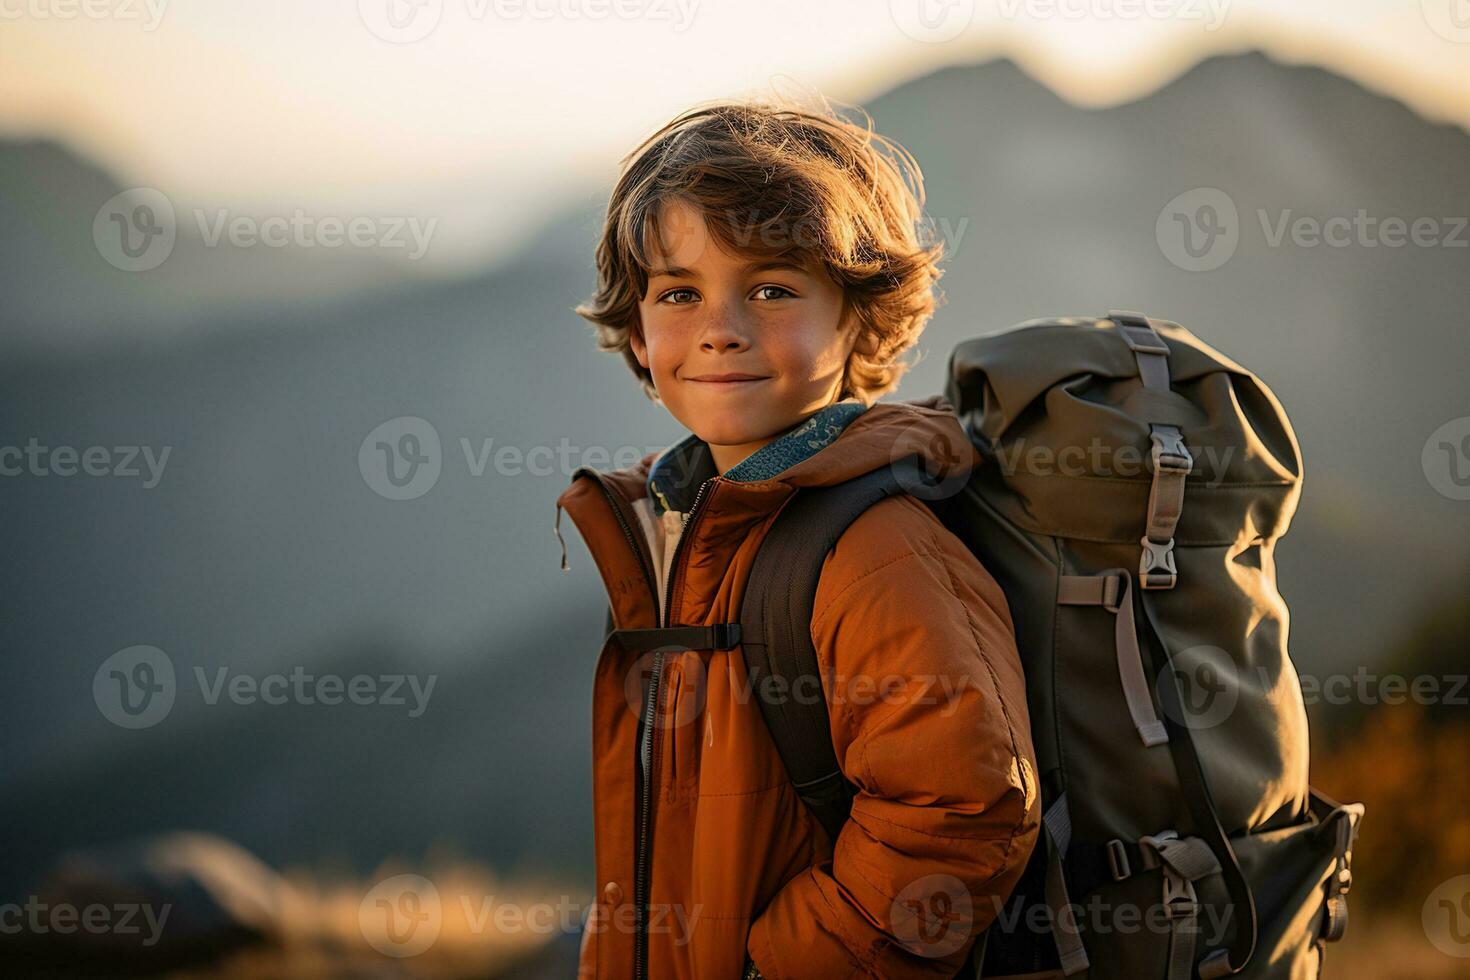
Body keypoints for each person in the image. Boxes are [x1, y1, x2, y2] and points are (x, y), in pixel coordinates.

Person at [554, 96, 1039, 979]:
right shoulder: (685, 527)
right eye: (679, 292)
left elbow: (964, 812)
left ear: (861, 315)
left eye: (772, 288)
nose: (721, 327)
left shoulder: (879, 550)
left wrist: (780, 968)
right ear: (636, 329)